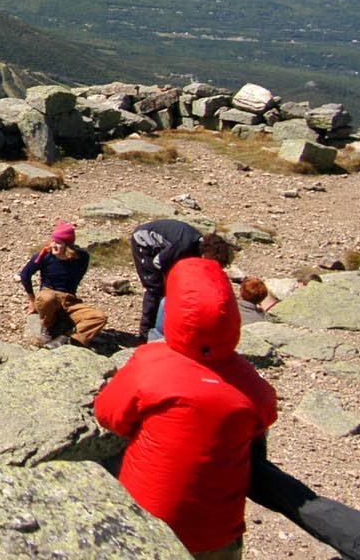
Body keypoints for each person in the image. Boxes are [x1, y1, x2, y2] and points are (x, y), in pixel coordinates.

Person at [94, 257, 277, 559]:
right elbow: (264, 417)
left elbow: (108, 414)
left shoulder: (150, 362)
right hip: (218, 533)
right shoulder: (247, 378)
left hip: (148, 520)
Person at [18, 221, 106, 348]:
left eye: (58, 242)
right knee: (47, 299)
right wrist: (32, 300)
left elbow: (77, 278)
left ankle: (71, 339)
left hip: (70, 299)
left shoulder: (81, 257)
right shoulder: (44, 256)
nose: (54, 245)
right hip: (49, 293)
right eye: (53, 241)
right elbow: (25, 275)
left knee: (99, 317)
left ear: (68, 245)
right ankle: (47, 327)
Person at [130, 218, 200, 343]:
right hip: (144, 243)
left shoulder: (197, 245)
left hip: (162, 247)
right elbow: (158, 261)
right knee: (155, 288)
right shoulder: (187, 245)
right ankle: (145, 334)